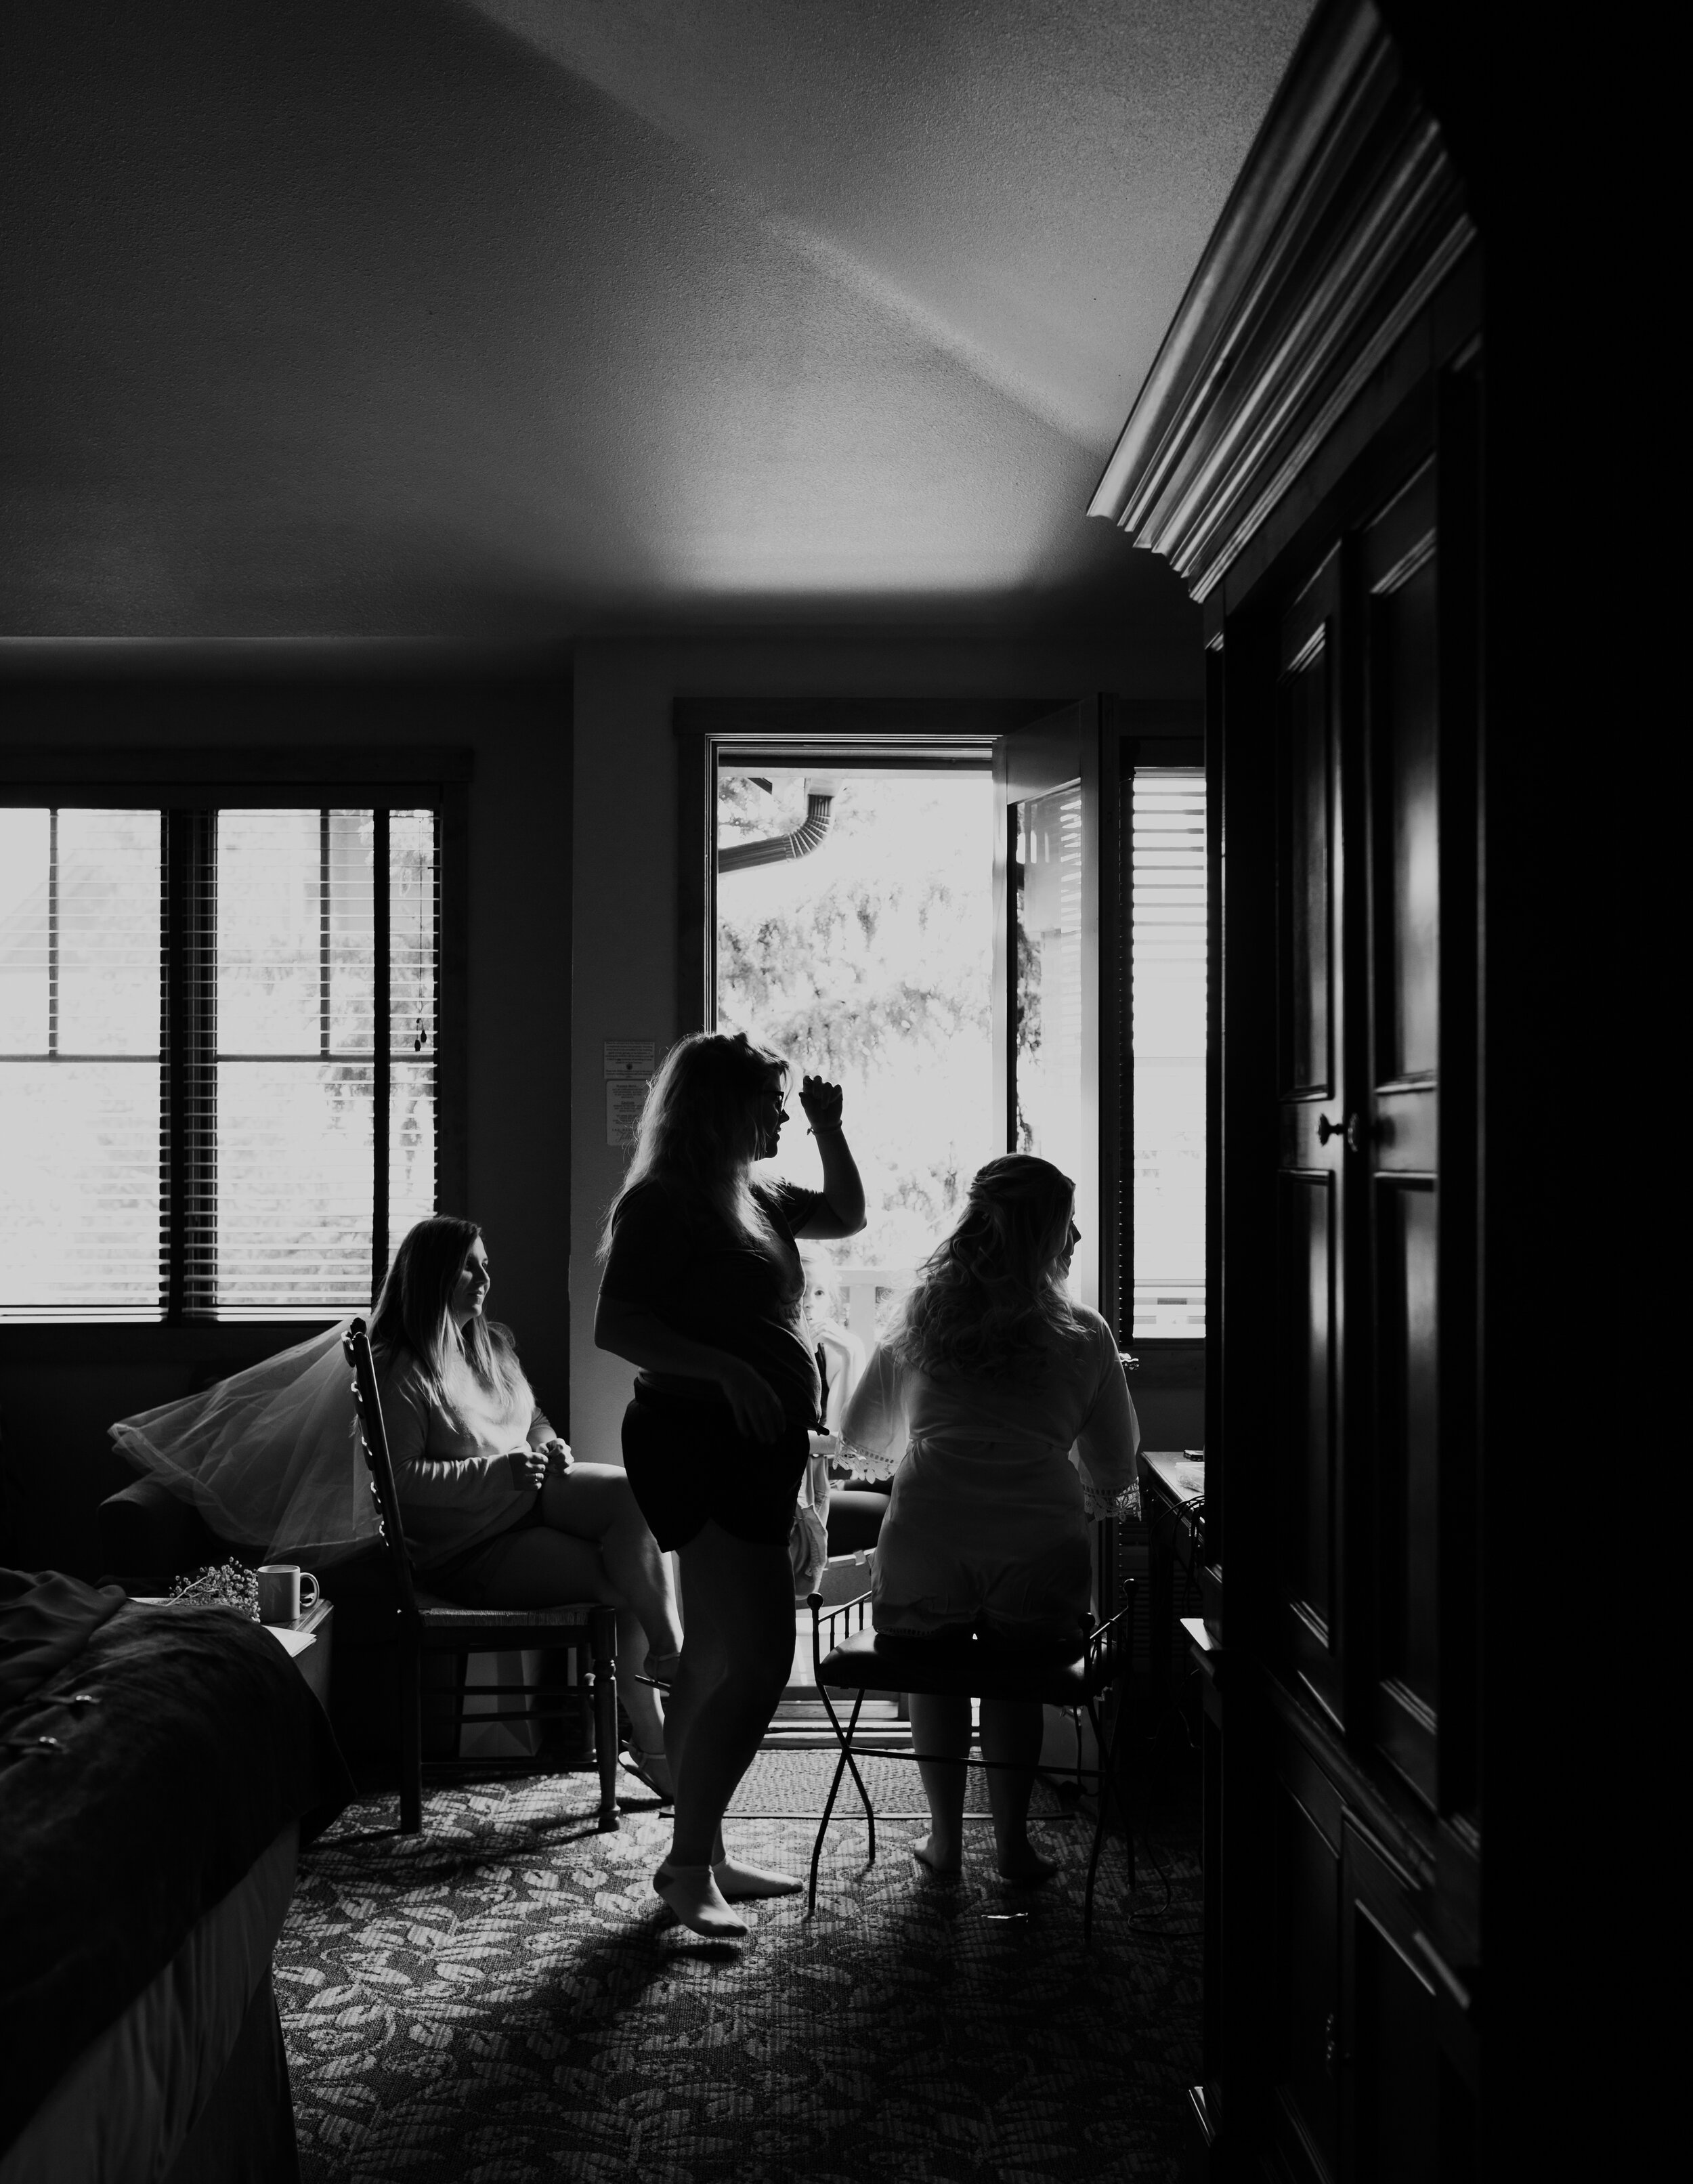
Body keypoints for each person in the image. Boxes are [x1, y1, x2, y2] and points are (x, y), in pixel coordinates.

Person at [595, 1030, 866, 1937]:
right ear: (720, 1108)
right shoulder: (664, 1202)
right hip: (694, 1441)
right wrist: (728, 1370)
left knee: (715, 1654)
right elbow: (617, 1326)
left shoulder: (756, 1194)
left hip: (751, 1445)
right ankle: (686, 1863)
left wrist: (829, 1128)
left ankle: (703, 1852)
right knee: (759, 1660)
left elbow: (847, 1214)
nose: (781, 1118)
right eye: (771, 1105)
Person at [840, 1154, 1139, 1884]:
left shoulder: (919, 1318)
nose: (1076, 1239)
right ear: (1041, 1233)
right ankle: (1011, 1847)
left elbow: (864, 1430)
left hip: (928, 1541)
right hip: (1038, 1549)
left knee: (935, 1679)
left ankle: (945, 1843)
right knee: (1016, 1682)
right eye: (1068, 1224)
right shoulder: (1084, 1333)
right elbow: (1113, 1464)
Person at [369, 1215, 683, 1778]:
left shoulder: (488, 1344)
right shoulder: (401, 1369)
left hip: (527, 1497)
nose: (484, 1277)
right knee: (620, 1579)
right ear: (433, 1274)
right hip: (468, 1546)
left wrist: (550, 1446)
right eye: (468, 1266)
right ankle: (657, 1743)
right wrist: (501, 1472)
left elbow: (531, 1417)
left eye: (485, 1265)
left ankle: (671, 1654)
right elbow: (401, 1480)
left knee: (635, 1494)